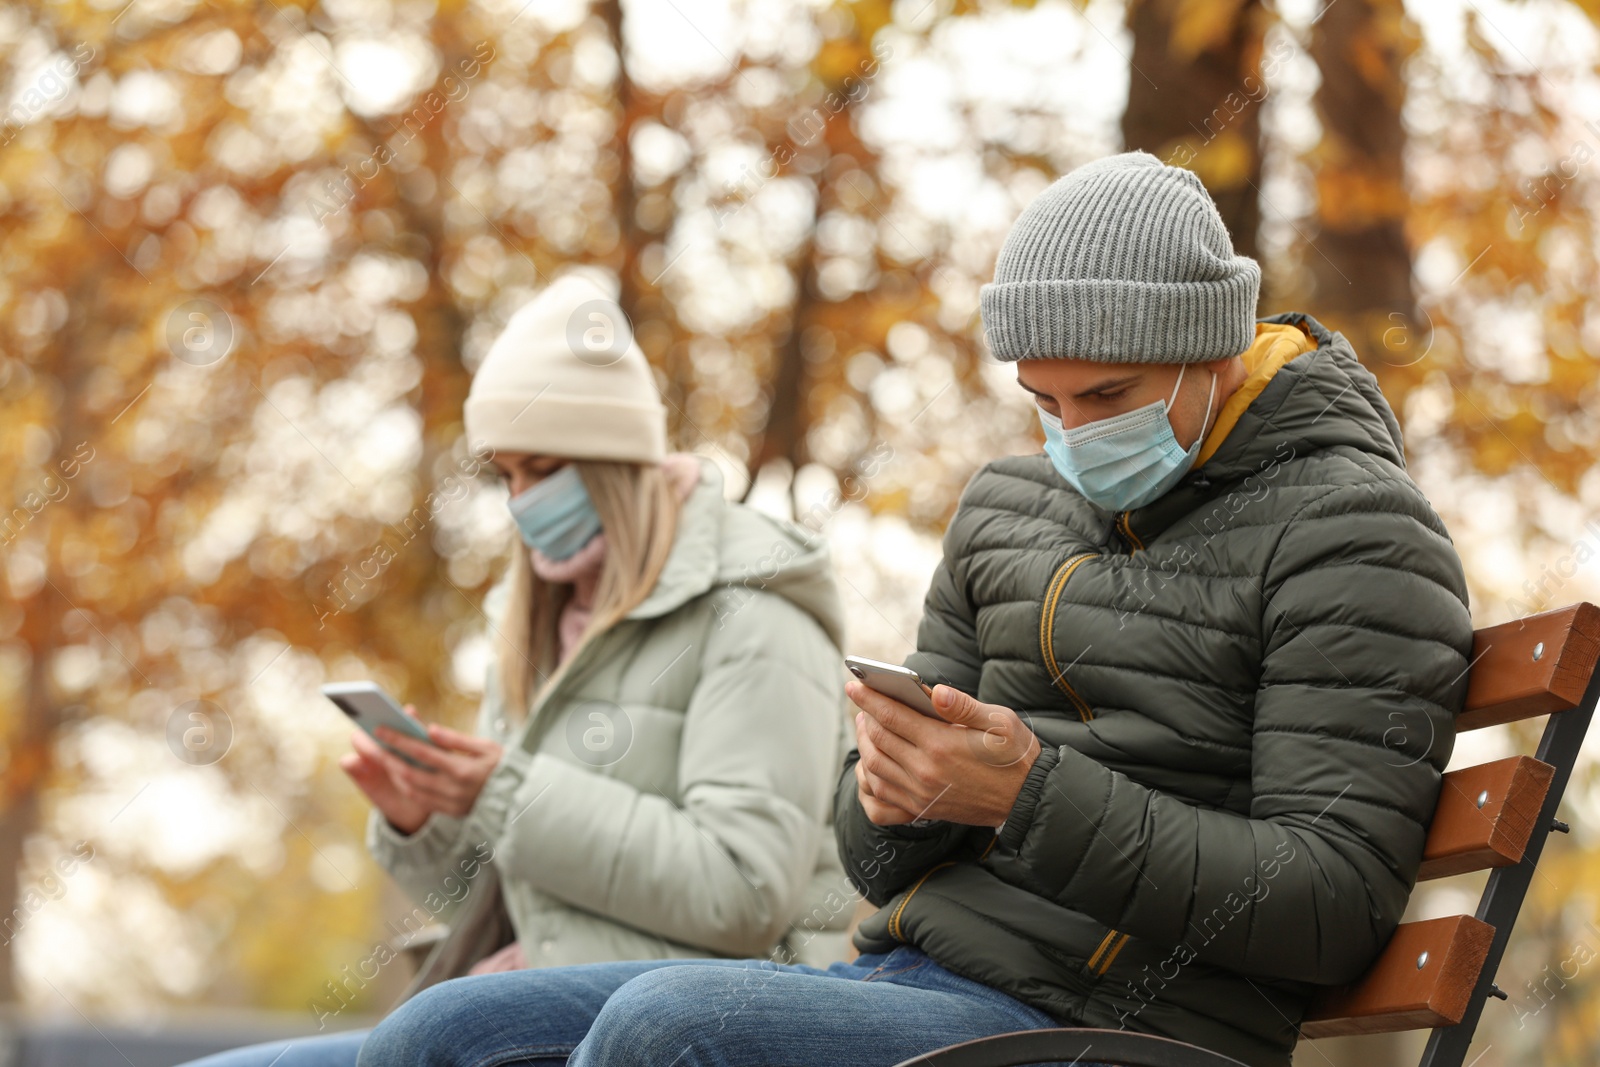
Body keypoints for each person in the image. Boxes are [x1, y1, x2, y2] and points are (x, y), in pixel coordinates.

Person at [353, 151, 1474, 1067]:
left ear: (1214, 350)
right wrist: (892, 795)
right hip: (905, 974)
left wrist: (1029, 793)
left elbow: (1328, 904)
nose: (1073, 436)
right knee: (441, 1030)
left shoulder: (1356, 533)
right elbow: (869, 860)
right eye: (1042, 400)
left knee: (671, 1034)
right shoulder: (1008, 507)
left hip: (1118, 1027)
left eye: (1108, 398)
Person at [180, 270, 854, 1066]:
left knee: (430, 1036)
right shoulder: (532, 621)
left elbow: (741, 891)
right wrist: (426, 820)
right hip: (529, 989)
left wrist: (505, 793)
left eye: (541, 469)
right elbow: (510, 895)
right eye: (506, 475)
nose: (521, 500)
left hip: (692, 1015)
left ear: (612, 461)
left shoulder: (754, 613)